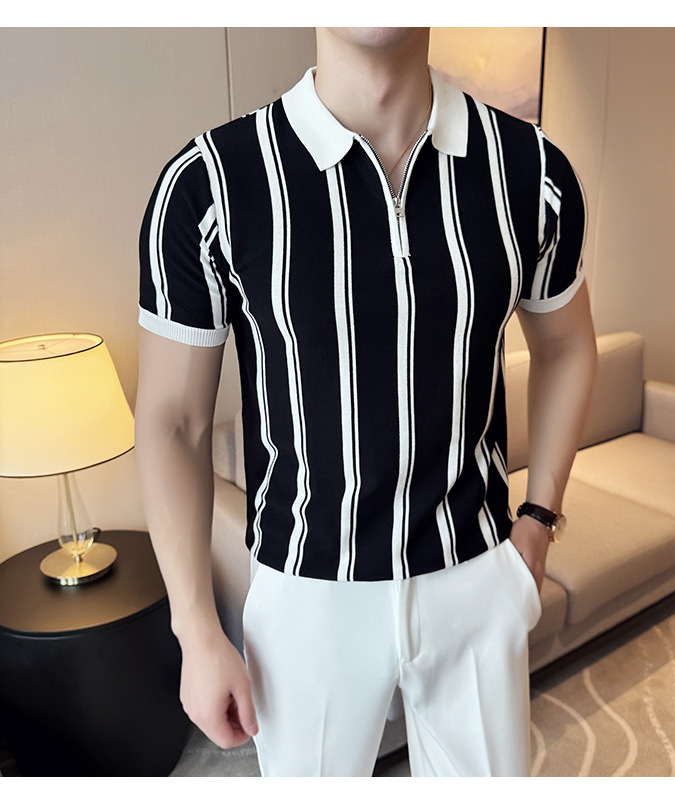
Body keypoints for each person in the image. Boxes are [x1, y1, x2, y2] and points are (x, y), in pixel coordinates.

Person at [135, 27, 597, 777]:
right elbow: (173, 420)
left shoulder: (532, 172)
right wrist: (195, 625)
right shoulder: (209, 185)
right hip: (305, 589)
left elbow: (568, 346)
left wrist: (539, 522)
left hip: (476, 571)